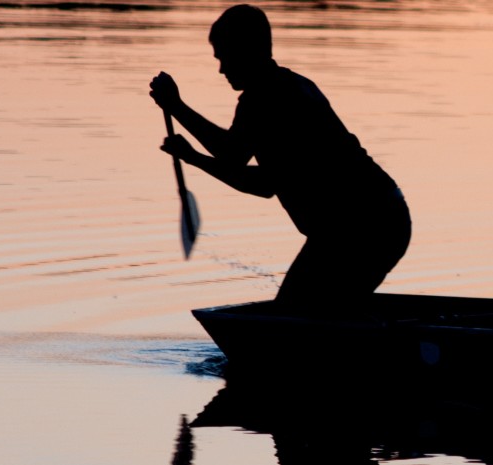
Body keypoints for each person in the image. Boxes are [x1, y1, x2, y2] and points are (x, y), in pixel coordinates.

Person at [148, 4, 410, 312]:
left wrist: (177, 109)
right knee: (312, 311)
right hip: (376, 221)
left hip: (359, 227)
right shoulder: (289, 86)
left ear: (247, 50)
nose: (221, 69)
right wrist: (192, 156)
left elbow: (233, 156)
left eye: (224, 57)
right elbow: (263, 181)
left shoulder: (266, 97)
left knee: (298, 314)